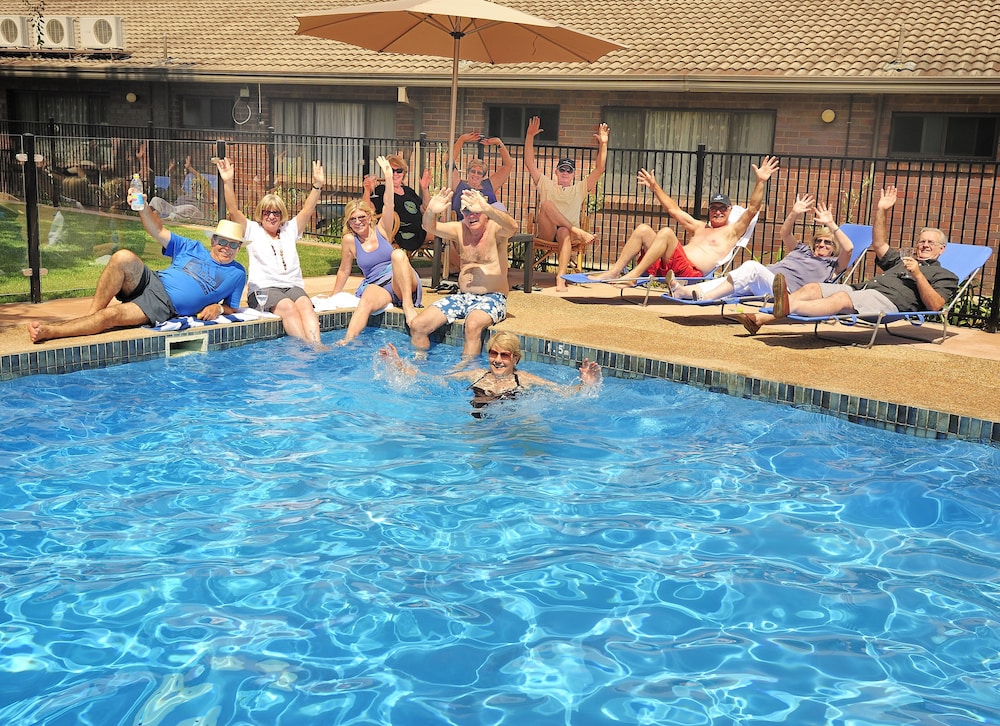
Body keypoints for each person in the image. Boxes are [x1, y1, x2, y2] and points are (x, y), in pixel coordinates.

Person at [739, 184, 959, 336]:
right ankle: (759, 319)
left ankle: (788, 304)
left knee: (842, 299)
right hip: (862, 290)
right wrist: (881, 210)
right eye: (922, 242)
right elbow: (880, 244)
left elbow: (936, 305)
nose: (924, 245)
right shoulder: (901, 261)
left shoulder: (946, 275)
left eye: (930, 243)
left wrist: (918, 275)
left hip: (889, 302)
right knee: (814, 288)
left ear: (942, 249)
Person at [28, 201, 246, 344]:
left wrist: (218, 307)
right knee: (122, 256)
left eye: (233, 245)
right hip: (153, 280)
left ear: (239, 248)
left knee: (111, 316)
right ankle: (89, 317)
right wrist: (141, 206)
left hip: (164, 304)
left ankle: (50, 331)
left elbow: (232, 307)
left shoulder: (237, 273)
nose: (227, 248)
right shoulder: (192, 247)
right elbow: (157, 230)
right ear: (214, 241)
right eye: (223, 242)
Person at [587, 157, 779, 283]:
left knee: (667, 233)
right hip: (669, 266)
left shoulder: (733, 231)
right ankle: (615, 271)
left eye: (722, 208)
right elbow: (673, 209)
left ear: (730, 210)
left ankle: (632, 276)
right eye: (714, 208)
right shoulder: (699, 226)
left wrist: (761, 181)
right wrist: (655, 188)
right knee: (644, 229)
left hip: (689, 274)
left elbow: (753, 208)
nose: (718, 212)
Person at [217, 156, 326, 347]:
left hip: (292, 286)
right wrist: (227, 181)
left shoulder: (289, 230)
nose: (271, 216)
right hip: (264, 289)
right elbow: (233, 211)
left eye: (276, 212)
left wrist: (317, 185)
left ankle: (316, 348)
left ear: (281, 214)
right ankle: (303, 350)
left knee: (306, 307)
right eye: (267, 212)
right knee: (289, 308)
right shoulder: (252, 229)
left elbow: (308, 210)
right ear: (261, 213)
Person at [669, 194, 854, 300]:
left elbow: (849, 249)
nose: (822, 244)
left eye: (827, 242)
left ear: (833, 248)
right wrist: (794, 213)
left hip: (786, 293)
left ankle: (705, 298)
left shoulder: (833, 265)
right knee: (731, 281)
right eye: (819, 241)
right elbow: (785, 234)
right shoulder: (802, 250)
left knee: (751, 267)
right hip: (765, 282)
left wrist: (831, 225)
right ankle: (686, 292)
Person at [378, 331, 602, 416]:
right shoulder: (475, 375)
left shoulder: (524, 379)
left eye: (504, 355)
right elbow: (433, 381)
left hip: (511, 420)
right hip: (476, 419)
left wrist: (586, 385)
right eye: (494, 353)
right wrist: (399, 366)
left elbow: (562, 393)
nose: (497, 360)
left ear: (515, 358)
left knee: (532, 425)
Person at [407, 187, 518, 358]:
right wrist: (430, 211)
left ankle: (467, 371)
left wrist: (486, 207)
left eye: (475, 211)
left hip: (493, 297)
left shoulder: (495, 230)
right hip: (462, 297)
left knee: (472, 324)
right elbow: (429, 226)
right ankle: (420, 365)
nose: (471, 216)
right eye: (466, 211)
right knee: (418, 325)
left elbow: (512, 227)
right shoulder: (459, 229)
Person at [329, 155, 423, 344]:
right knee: (366, 298)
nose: (358, 222)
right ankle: (347, 341)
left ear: (370, 216)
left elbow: (389, 203)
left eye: (361, 217)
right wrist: (333, 296)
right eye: (353, 219)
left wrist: (388, 176)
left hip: (401, 279)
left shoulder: (382, 229)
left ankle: (407, 305)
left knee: (398, 254)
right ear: (348, 221)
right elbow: (344, 269)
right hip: (378, 285)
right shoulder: (350, 240)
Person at [523, 116, 609, 292]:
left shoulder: (579, 189)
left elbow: (599, 169)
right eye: (562, 169)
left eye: (569, 170)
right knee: (546, 205)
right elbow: (529, 163)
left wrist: (603, 144)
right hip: (547, 232)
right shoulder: (546, 184)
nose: (565, 172)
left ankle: (560, 279)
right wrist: (530, 136)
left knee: (564, 231)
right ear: (556, 172)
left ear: (573, 174)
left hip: (567, 235)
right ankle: (578, 230)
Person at [363, 153, 431, 254]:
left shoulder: (408, 191)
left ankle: (452, 264)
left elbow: (425, 209)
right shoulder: (381, 190)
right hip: (400, 231)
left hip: (420, 227)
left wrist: (425, 189)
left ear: (404, 173)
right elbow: (367, 210)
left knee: (446, 229)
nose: (395, 174)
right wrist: (367, 190)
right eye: (391, 171)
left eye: (399, 170)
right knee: (445, 235)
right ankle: (453, 266)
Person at [450, 131, 514, 219]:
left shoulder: (488, 185)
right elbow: (449, 163)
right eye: (473, 171)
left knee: (499, 207)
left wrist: (499, 143)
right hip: (465, 224)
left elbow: (508, 165)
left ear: (483, 176)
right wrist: (461, 140)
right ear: (468, 172)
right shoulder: (459, 185)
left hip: (488, 224)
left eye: (479, 173)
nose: (475, 175)